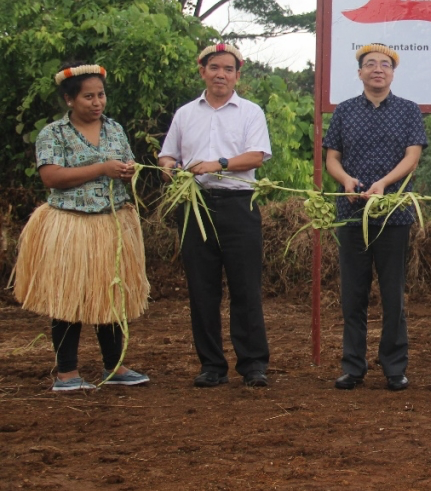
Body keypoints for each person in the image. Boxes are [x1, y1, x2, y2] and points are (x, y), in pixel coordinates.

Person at [12, 62, 150, 391]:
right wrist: (101, 167)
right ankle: (67, 373)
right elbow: (51, 176)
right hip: (71, 223)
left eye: (101, 95)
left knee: (112, 295)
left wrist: (129, 171)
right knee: (69, 297)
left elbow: (127, 162)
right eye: (88, 96)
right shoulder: (53, 134)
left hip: (111, 222)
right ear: (69, 100)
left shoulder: (114, 129)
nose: (97, 102)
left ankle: (114, 366)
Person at [159, 43, 273, 388]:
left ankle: (253, 365)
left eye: (228, 69)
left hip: (239, 205)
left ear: (238, 75)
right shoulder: (185, 113)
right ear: (202, 72)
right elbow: (168, 155)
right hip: (195, 206)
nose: (220, 74)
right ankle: (211, 365)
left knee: (245, 288)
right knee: (202, 288)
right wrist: (169, 168)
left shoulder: (250, 112)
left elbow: (256, 157)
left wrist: (218, 163)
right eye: (214, 68)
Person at [324, 43, 428, 392]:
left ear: (393, 73)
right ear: (360, 73)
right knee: (353, 294)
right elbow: (332, 157)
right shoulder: (344, 111)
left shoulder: (409, 110)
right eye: (370, 64)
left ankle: (394, 366)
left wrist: (385, 183)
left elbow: (413, 155)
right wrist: (345, 180)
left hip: (394, 214)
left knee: (392, 294)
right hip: (352, 214)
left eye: (385, 65)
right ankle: (353, 366)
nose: (377, 69)